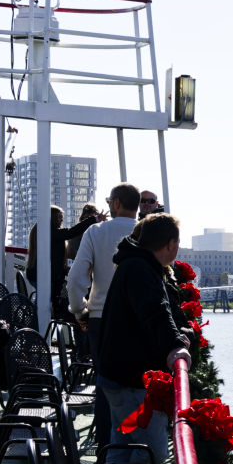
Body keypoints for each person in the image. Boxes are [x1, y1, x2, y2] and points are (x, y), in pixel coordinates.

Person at [96, 212, 190, 464]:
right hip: (131, 379)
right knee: (153, 451)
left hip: (116, 373)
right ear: (170, 244)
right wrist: (175, 345)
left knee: (122, 447)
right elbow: (155, 311)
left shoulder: (134, 264)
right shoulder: (142, 269)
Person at [68, 183, 141, 442]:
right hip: (138, 320)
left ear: (117, 203)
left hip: (101, 318)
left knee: (105, 386)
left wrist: (80, 311)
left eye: (110, 201)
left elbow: (76, 279)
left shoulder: (96, 232)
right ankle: (135, 445)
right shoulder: (146, 232)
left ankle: (105, 449)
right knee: (138, 386)